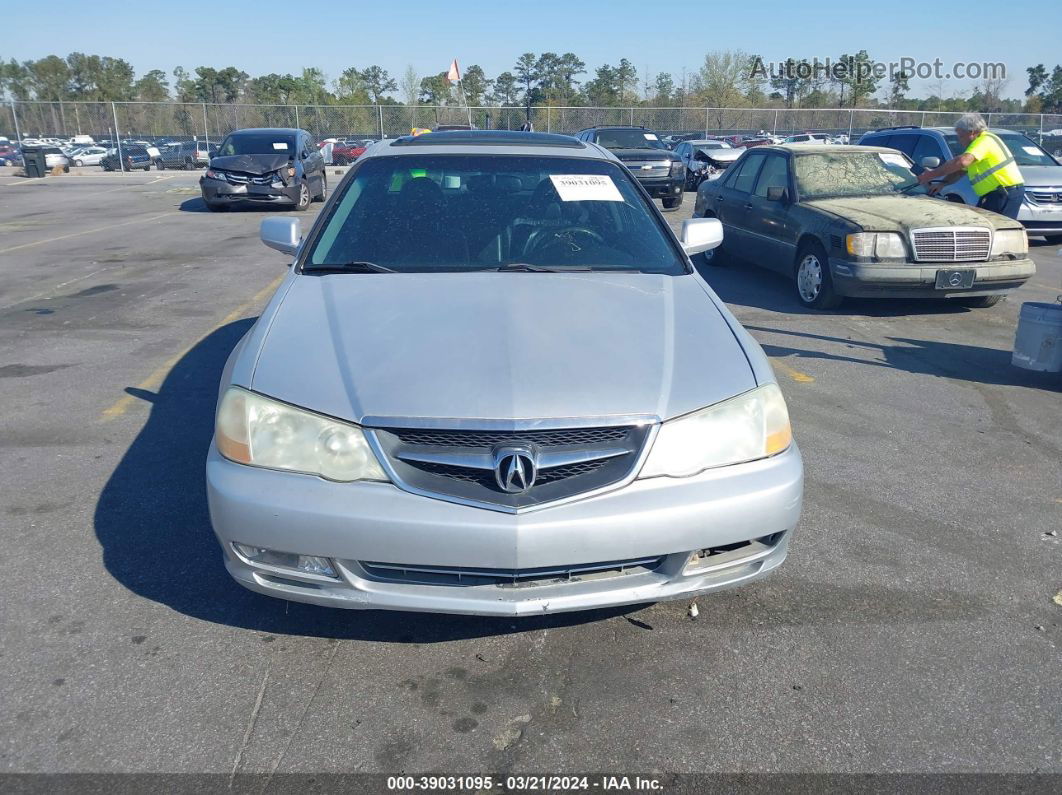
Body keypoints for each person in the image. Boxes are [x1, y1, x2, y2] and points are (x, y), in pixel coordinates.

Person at [917, 113, 1025, 218]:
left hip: (1003, 193)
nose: (959, 140)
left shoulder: (984, 140)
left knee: (997, 229)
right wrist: (941, 185)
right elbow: (960, 171)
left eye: (961, 136)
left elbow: (962, 162)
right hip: (999, 193)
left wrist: (930, 175)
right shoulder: (984, 141)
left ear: (972, 132)